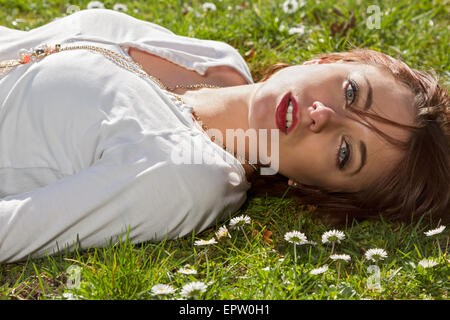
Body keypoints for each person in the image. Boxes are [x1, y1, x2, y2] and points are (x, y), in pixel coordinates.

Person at [0, 9, 448, 263]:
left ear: (319, 190)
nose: (322, 115)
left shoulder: (188, 178)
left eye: (346, 152)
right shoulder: (219, 61)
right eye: (352, 92)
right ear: (326, 59)